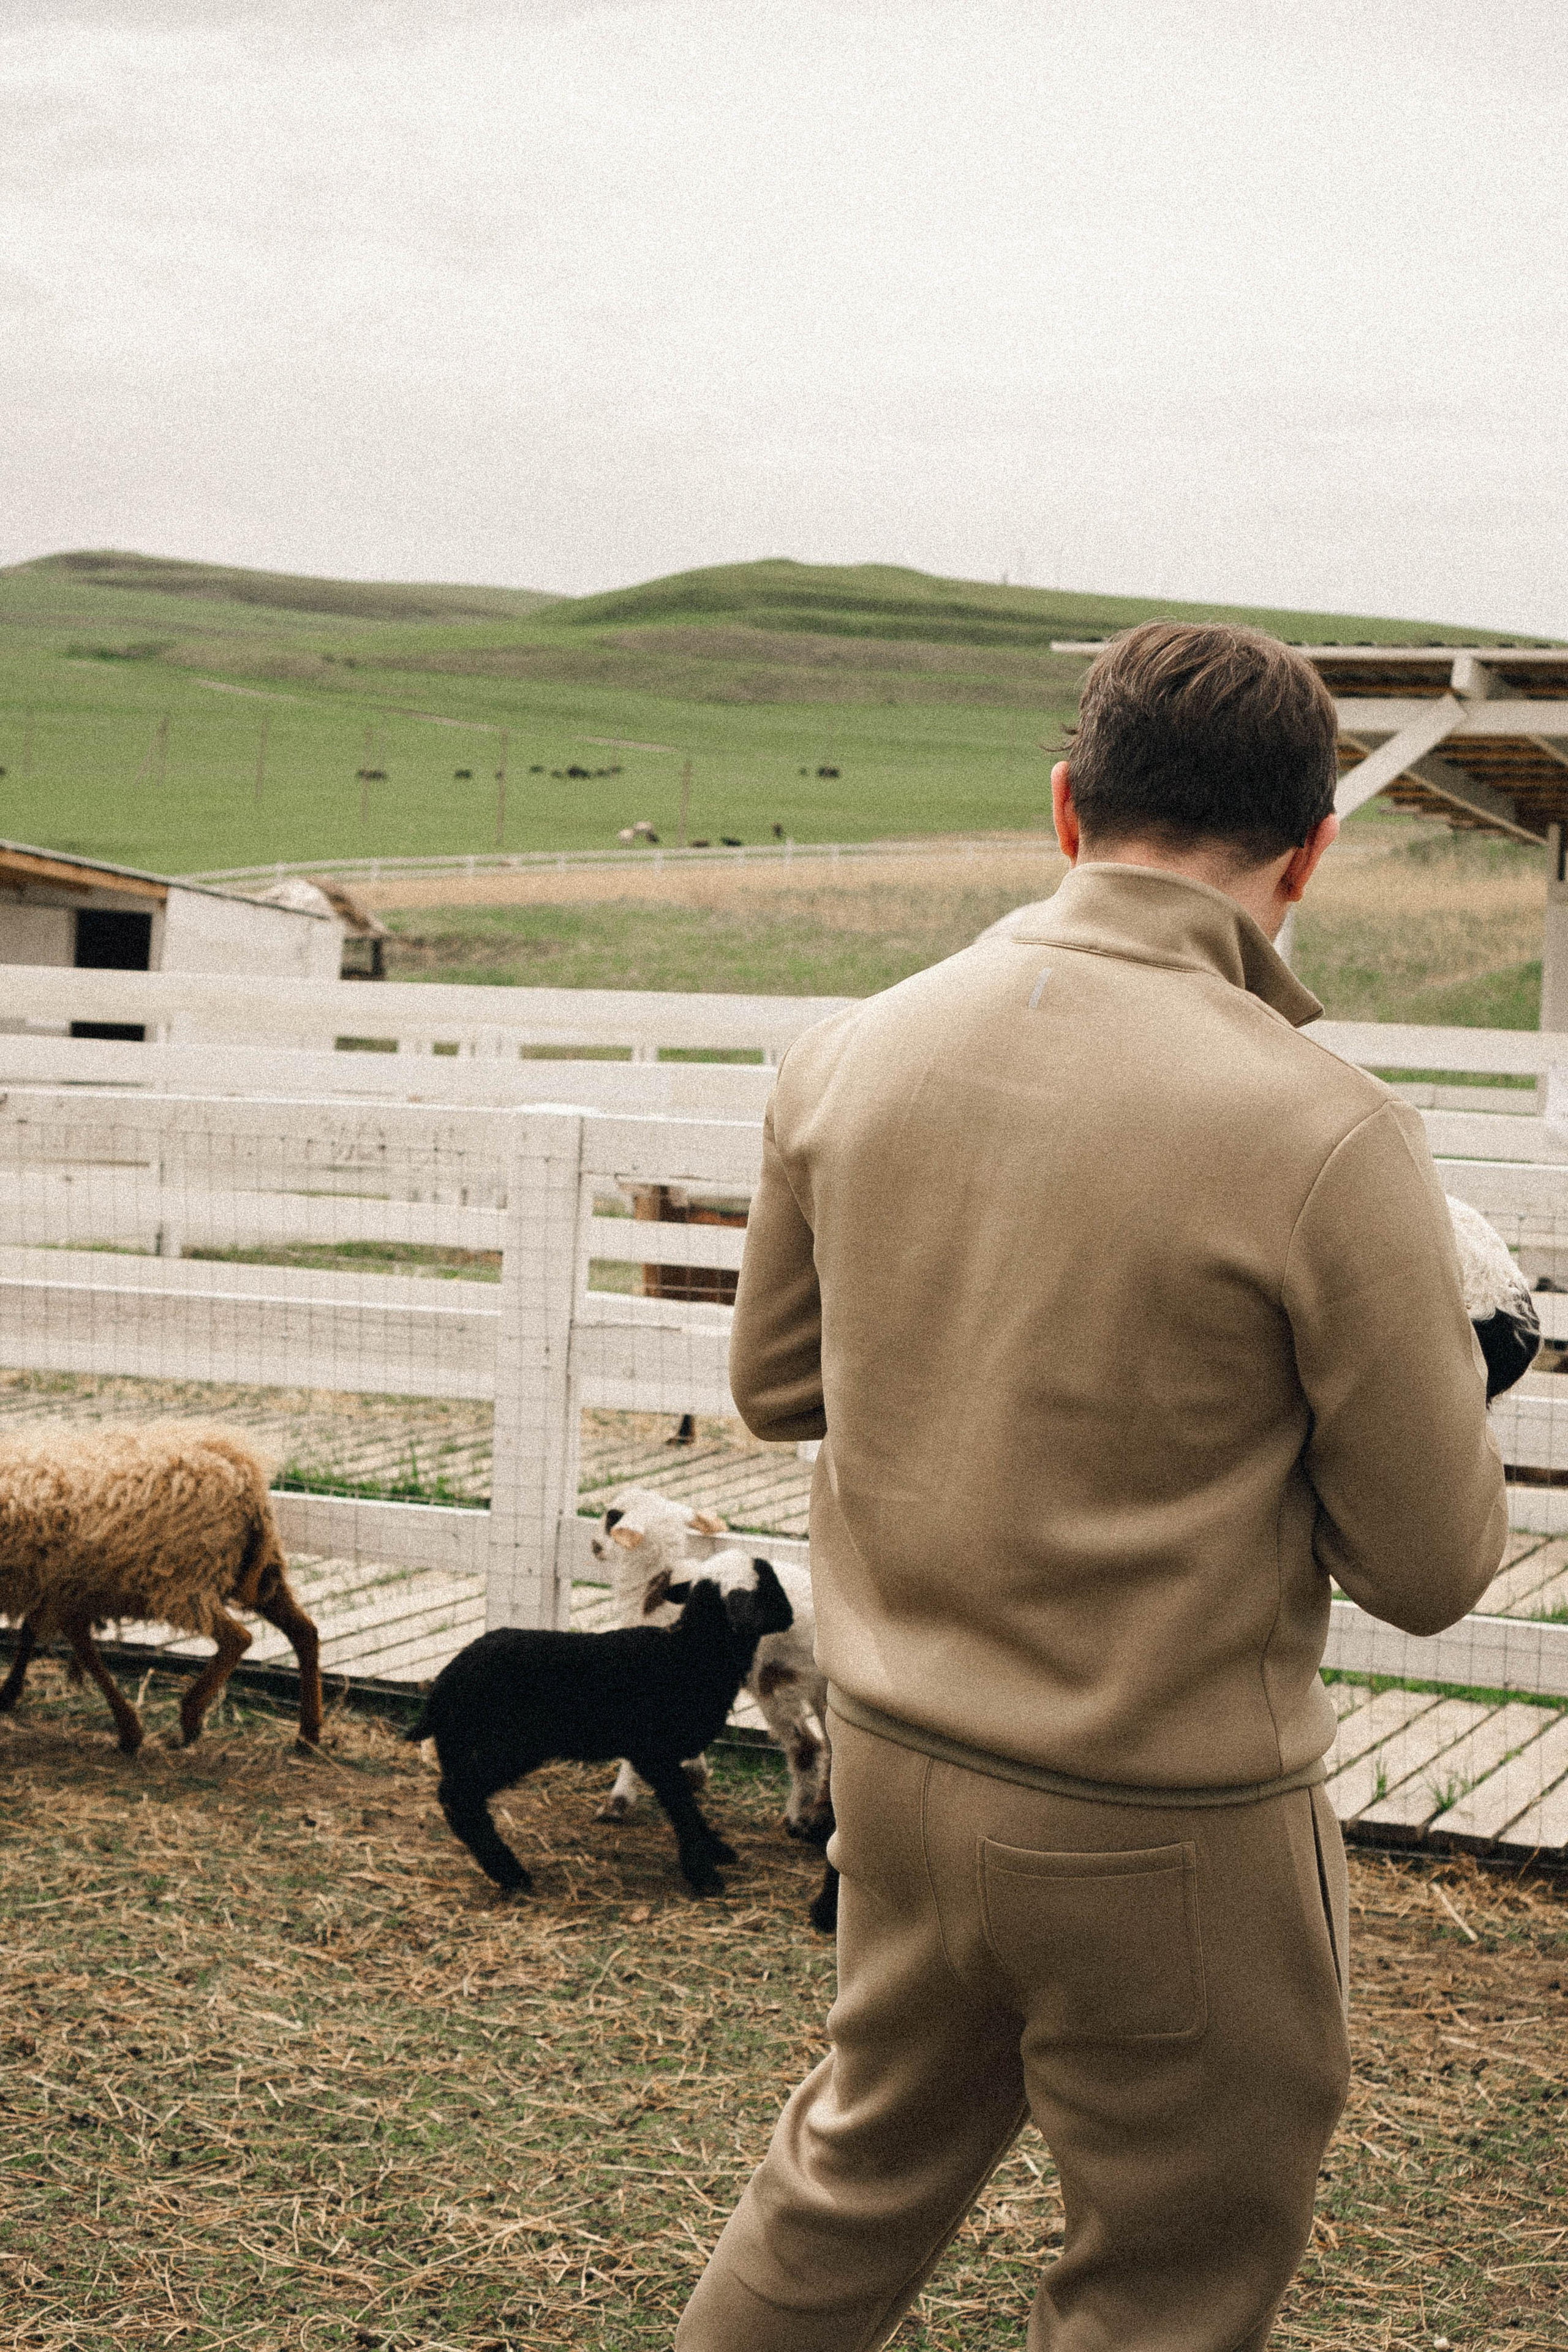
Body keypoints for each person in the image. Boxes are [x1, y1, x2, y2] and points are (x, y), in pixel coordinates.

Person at [675, 622, 1507, 2352]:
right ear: (1312, 849)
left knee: (842, 2183)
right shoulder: (1327, 1131)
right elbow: (1428, 1566)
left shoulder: (849, 1052)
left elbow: (771, 1387)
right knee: (1168, 2280)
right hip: (1169, 1824)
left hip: (896, 1771)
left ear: (1068, 809)